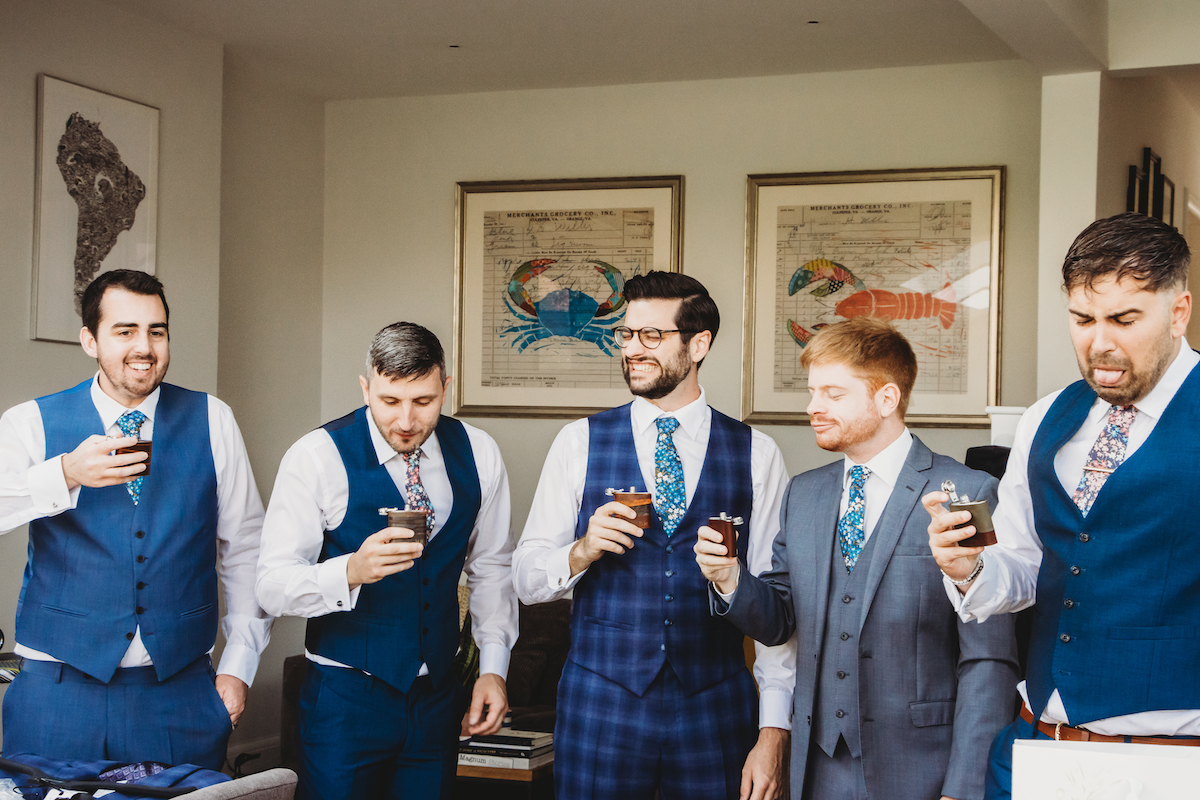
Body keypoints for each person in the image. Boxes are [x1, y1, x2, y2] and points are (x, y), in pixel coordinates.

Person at [924, 212, 1200, 798]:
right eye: (1082, 319)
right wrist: (967, 567)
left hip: (1173, 764)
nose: (1099, 340)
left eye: (1125, 319)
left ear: (1179, 313)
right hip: (1035, 746)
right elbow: (1026, 566)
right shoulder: (1045, 417)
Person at [696, 316, 1018, 800]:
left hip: (923, 771)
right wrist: (730, 580)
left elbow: (989, 658)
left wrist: (964, 787)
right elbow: (781, 619)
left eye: (833, 394)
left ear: (887, 398)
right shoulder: (803, 494)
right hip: (816, 767)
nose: (813, 408)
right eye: (812, 392)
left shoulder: (970, 493)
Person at [513, 271, 794, 800]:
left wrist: (774, 731)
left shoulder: (758, 454)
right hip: (601, 706)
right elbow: (527, 581)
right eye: (627, 334)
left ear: (699, 344)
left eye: (652, 336)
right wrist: (581, 551)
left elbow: (778, 608)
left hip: (716, 706)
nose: (633, 350)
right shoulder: (578, 443)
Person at [0, 269, 270, 770]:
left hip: (180, 695)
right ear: (89, 339)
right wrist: (66, 472)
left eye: (157, 331)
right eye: (125, 331)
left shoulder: (213, 419)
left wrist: (238, 667)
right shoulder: (30, 422)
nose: (144, 347)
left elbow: (247, 549)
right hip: (56, 694)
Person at [256, 321, 517, 800]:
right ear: (366, 386)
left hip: (437, 701)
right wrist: (351, 571)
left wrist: (493, 670)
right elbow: (271, 585)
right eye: (389, 401)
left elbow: (492, 568)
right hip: (344, 701)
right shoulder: (316, 457)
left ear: (446, 387)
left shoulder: (479, 453)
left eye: (424, 401)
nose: (405, 421)